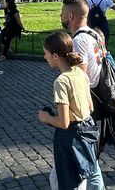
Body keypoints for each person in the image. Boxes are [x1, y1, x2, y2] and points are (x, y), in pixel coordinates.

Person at [61, 0, 115, 190]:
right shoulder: (95, 33)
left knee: (89, 150)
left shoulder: (79, 40)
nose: (60, 15)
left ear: (71, 15)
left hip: (96, 101)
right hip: (111, 94)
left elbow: (80, 76)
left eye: (62, 12)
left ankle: (86, 185)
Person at [38, 32, 104, 190]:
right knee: (63, 176)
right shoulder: (80, 73)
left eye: (45, 53)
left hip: (70, 138)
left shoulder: (61, 81)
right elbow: (90, 107)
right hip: (87, 132)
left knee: (70, 181)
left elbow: (64, 122)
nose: (44, 57)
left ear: (55, 55)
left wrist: (46, 117)